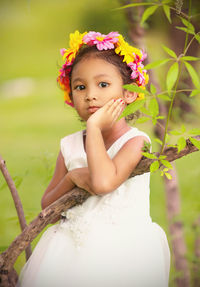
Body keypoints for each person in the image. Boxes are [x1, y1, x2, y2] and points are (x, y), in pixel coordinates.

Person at [17, 30, 170, 287]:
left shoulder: (135, 141)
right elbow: (49, 209)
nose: (90, 95)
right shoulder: (70, 144)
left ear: (130, 93)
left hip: (123, 252)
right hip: (69, 251)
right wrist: (73, 176)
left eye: (103, 85)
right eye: (80, 86)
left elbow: (102, 183)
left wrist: (96, 129)